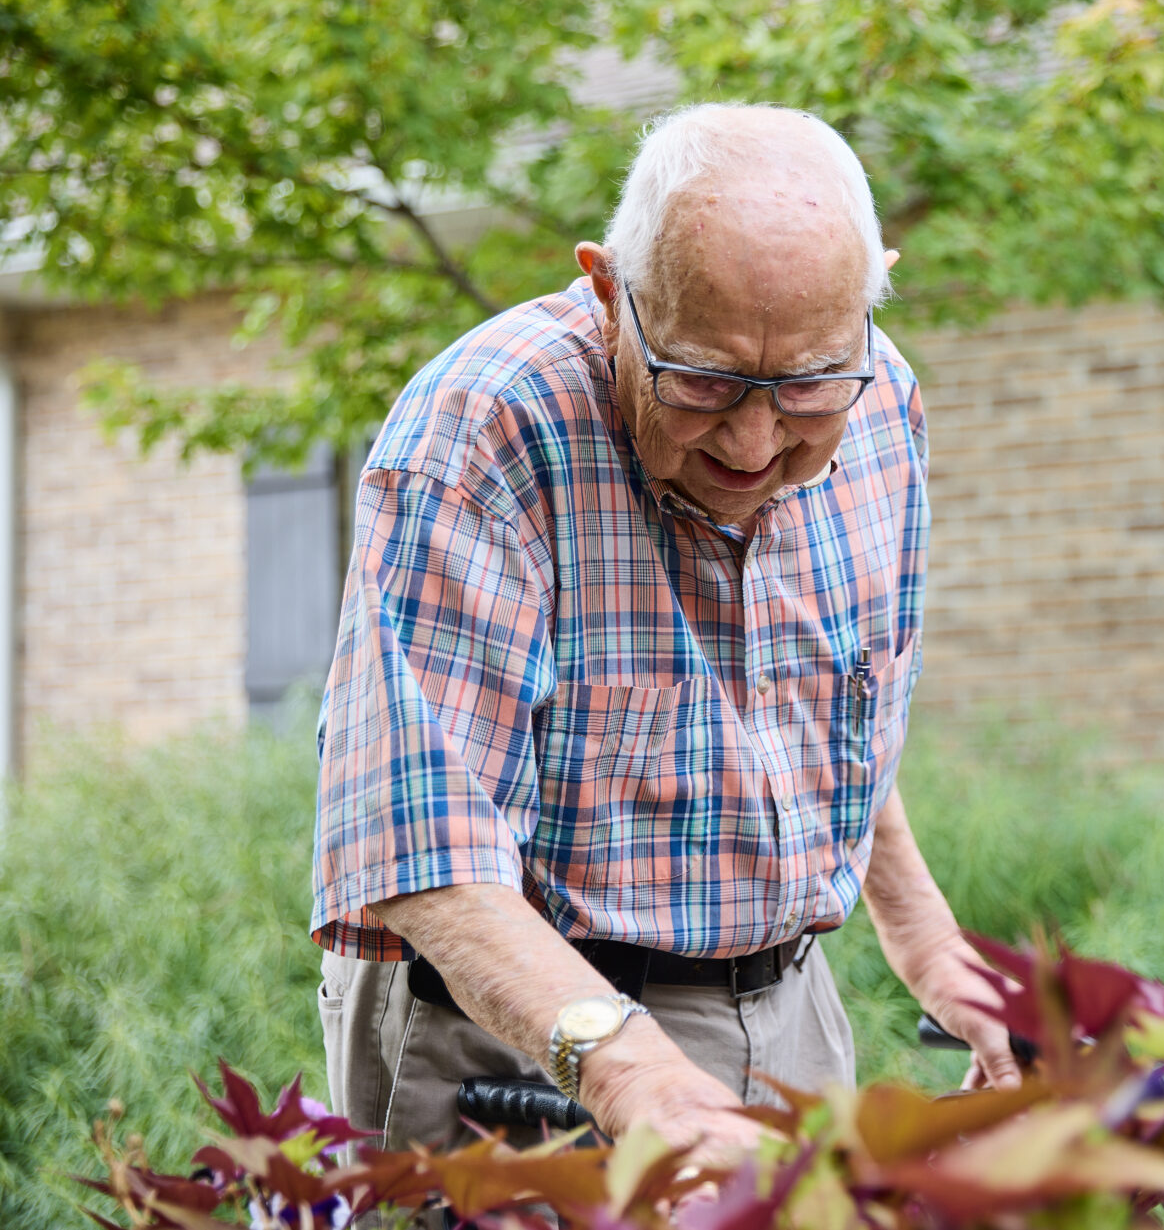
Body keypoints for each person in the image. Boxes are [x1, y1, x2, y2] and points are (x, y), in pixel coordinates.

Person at [310, 103, 1019, 1157]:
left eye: (805, 385)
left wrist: (928, 941)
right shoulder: (483, 429)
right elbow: (423, 846)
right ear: (608, 289)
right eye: (706, 378)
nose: (753, 438)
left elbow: (823, 710)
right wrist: (630, 1070)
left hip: (787, 1013)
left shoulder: (879, 407)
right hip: (510, 1034)